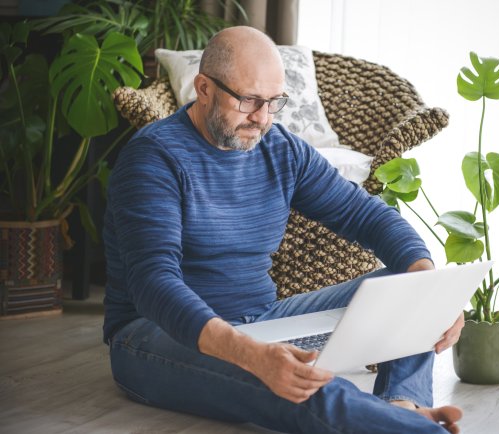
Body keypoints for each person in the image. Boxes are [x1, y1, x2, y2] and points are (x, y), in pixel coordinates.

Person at [103, 25, 464, 434]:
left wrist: (426, 284)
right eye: (248, 100)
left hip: (264, 320)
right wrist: (252, 355)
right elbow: (154, 283)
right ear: (203, 88)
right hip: (153, 338)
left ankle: (402, 404)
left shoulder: (280, 148)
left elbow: (367, 215)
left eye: (274, 102)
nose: (262, 118)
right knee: (306, 390)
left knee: (411, 286)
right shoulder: (153, 158)